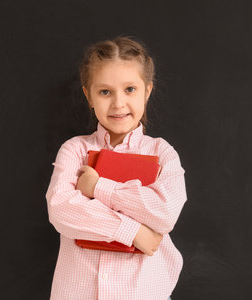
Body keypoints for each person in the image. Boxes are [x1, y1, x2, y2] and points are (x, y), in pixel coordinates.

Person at [46, 36, 187, 300]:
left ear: (147, 90)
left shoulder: (162, 153)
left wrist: (98, 187)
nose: (118, 103)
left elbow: (165, 213)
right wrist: (133, 232)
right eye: (105, 92)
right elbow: (61, 208)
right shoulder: (75, 150)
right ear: (89, 95)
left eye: (130, 89)